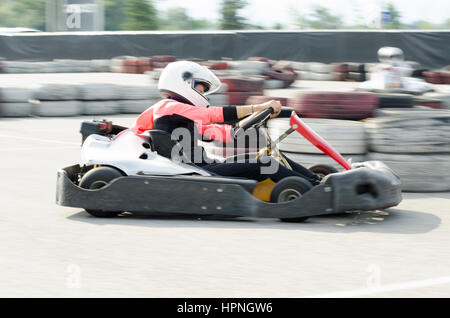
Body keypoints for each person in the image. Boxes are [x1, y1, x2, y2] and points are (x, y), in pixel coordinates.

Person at [131, 60, 321, 185]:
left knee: (269, 154)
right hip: (196, 171)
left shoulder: (186, 116)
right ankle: (311, 189)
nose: (203, 94)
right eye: (200, 88)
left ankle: (316, 180)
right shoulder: (166, 106)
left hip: (205, 164)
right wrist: (257, 107)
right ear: (182, 82)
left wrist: (256, 118)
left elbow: (225, 133)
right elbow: (212, 115)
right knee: (264, 163)